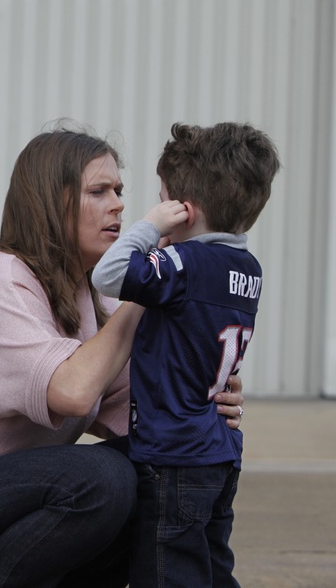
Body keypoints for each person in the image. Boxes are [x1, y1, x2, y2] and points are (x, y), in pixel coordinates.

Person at [0, 126, 246, 588]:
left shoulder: (91, 302)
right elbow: (73, 391)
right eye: (98, 191)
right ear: (53, 200)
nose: (120, 204)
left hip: (6, 514)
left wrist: (204, 403)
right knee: (103, 479)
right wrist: (148, 288)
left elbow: (138, 419)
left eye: (120, 190)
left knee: (170, 473)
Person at [91, 122, 280, 588]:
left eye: (164, 200)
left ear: (184, 211)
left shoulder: (185, 265)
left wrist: (150, 227)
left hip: (174, 456)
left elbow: (109, 273)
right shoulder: (246, 268)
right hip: (220, 451)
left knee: (167, 572)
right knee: (214, 568)